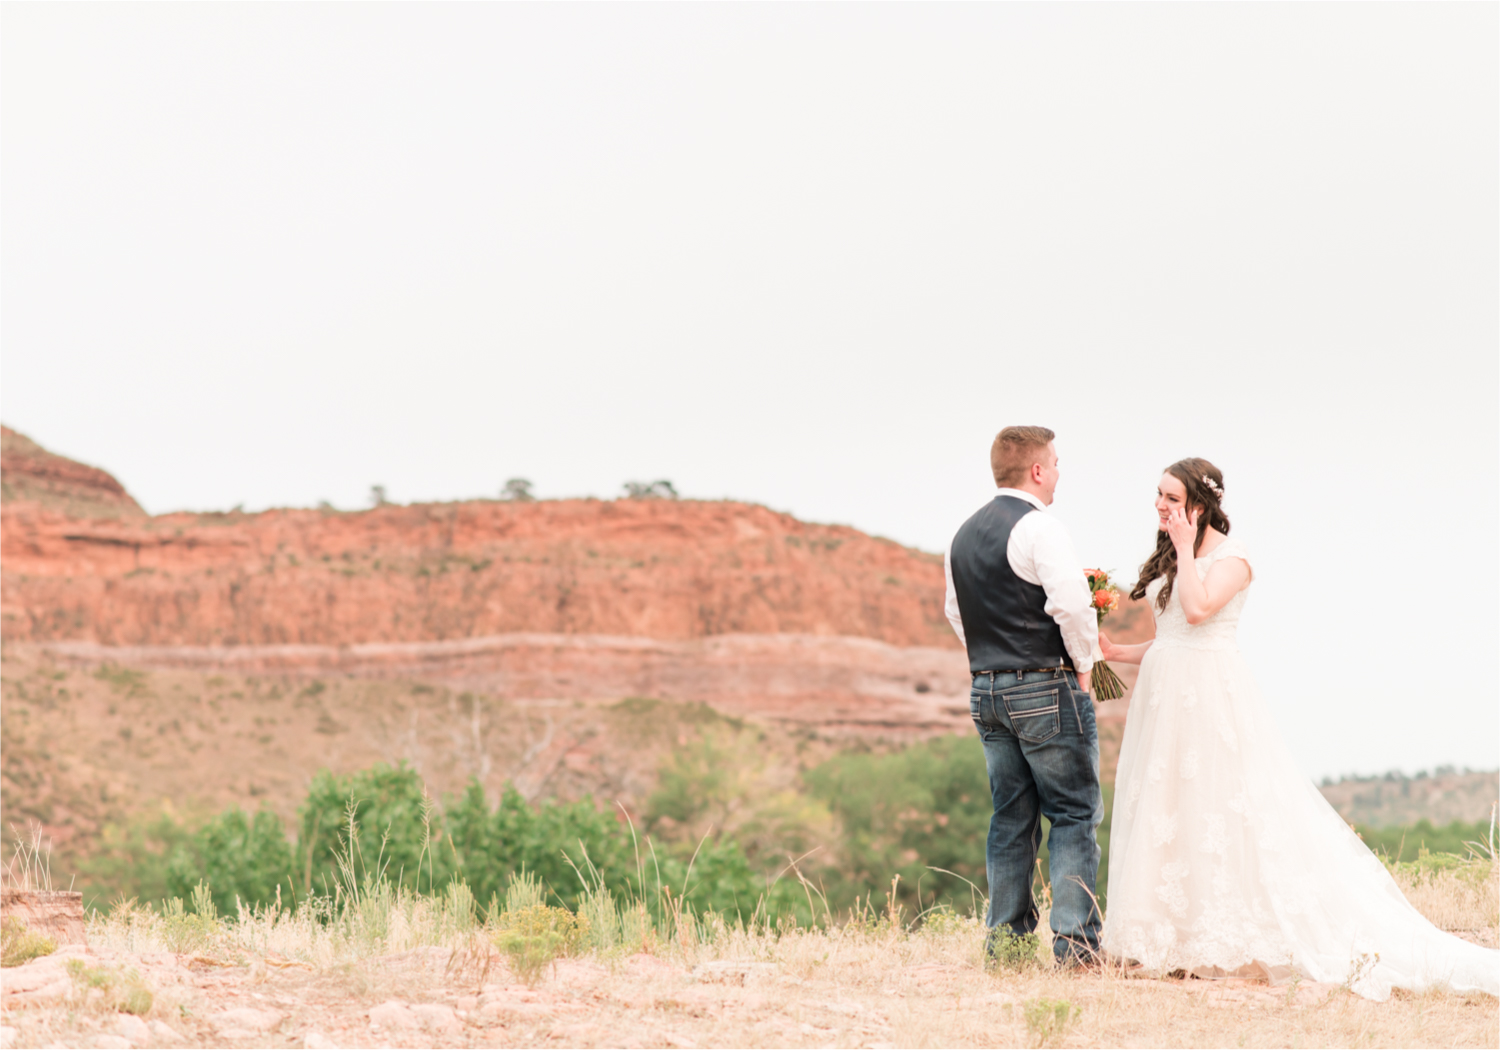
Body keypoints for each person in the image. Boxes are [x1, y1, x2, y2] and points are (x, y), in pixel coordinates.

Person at [1099, 458, 1499, 1000]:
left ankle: (1228, 937)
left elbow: (1196, 613)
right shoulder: (1178, 555)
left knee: (1219, 808)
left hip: (1212, 700)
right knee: (1171, 806)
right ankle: (1172, 938)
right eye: (1158, 496)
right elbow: (1171, 638)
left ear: (1199, 502)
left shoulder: (1232, 559)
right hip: (1165, 699)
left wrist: (1188, 545)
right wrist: (1117, 651)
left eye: (1170, 498)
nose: (1159, 507)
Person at [944, 425, 1102, 967]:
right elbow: (1073, 607)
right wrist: (1084, 666)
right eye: (1055, 463)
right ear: (1036, 470)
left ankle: (1006, 948)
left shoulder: (961, 535)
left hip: (984, 688)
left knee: (1010, 818)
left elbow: (954, 612)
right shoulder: (1040, 528)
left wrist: (992, 662)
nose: (1058, 472)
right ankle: (1076, 947)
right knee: (1074, 813)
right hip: (1043, 684)